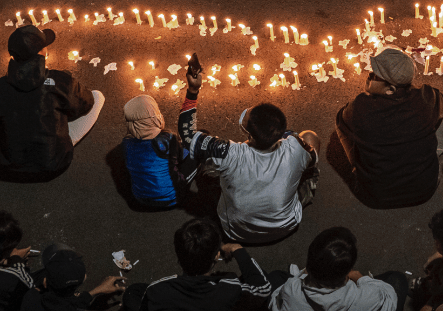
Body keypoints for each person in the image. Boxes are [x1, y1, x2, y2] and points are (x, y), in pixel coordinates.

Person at [180, 68, 322, 244]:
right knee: (310, 137)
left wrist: (193, 91)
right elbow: (311, 154)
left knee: (206, 163)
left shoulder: (229, 153)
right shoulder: (295, 146)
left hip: (237, 233)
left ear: (250, 135)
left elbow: (187, 136)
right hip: (287, 225)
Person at [334, 47, 443, 208]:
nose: (369, 76)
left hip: (375, 196)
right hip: (423, 190)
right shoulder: (427, 97)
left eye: (375, 76)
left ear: (390, 89)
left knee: (342, 123)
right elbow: (440, 104)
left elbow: (341, 119)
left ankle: (359, 168)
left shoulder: (360, 107)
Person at [0, 25, 105, 177]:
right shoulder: (61, 80)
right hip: (53, 163)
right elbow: (85, 104)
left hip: (8, 163)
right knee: (98, 96)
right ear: (42, 52)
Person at [121, 217, 271, 310]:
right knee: (263, 275)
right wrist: (237, 249)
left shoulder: (158, 289)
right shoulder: (230, 289)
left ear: (179, 255)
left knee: (134, 292)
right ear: (216, 257)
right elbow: (264, 289)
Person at [269, 227, 406, 310]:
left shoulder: (291, 289)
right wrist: (362, 278)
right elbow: (390, 299)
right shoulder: (367, 297)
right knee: (397, 278)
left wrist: (299, 276)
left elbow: (275, 302)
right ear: (346, 274)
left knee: (277, 276)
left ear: (309, 266)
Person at [120, 94, 183, 209]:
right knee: (193, 150)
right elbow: (181, 157)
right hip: (171, 199)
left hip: (140, 198)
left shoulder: (126, 143)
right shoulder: (168, 138)